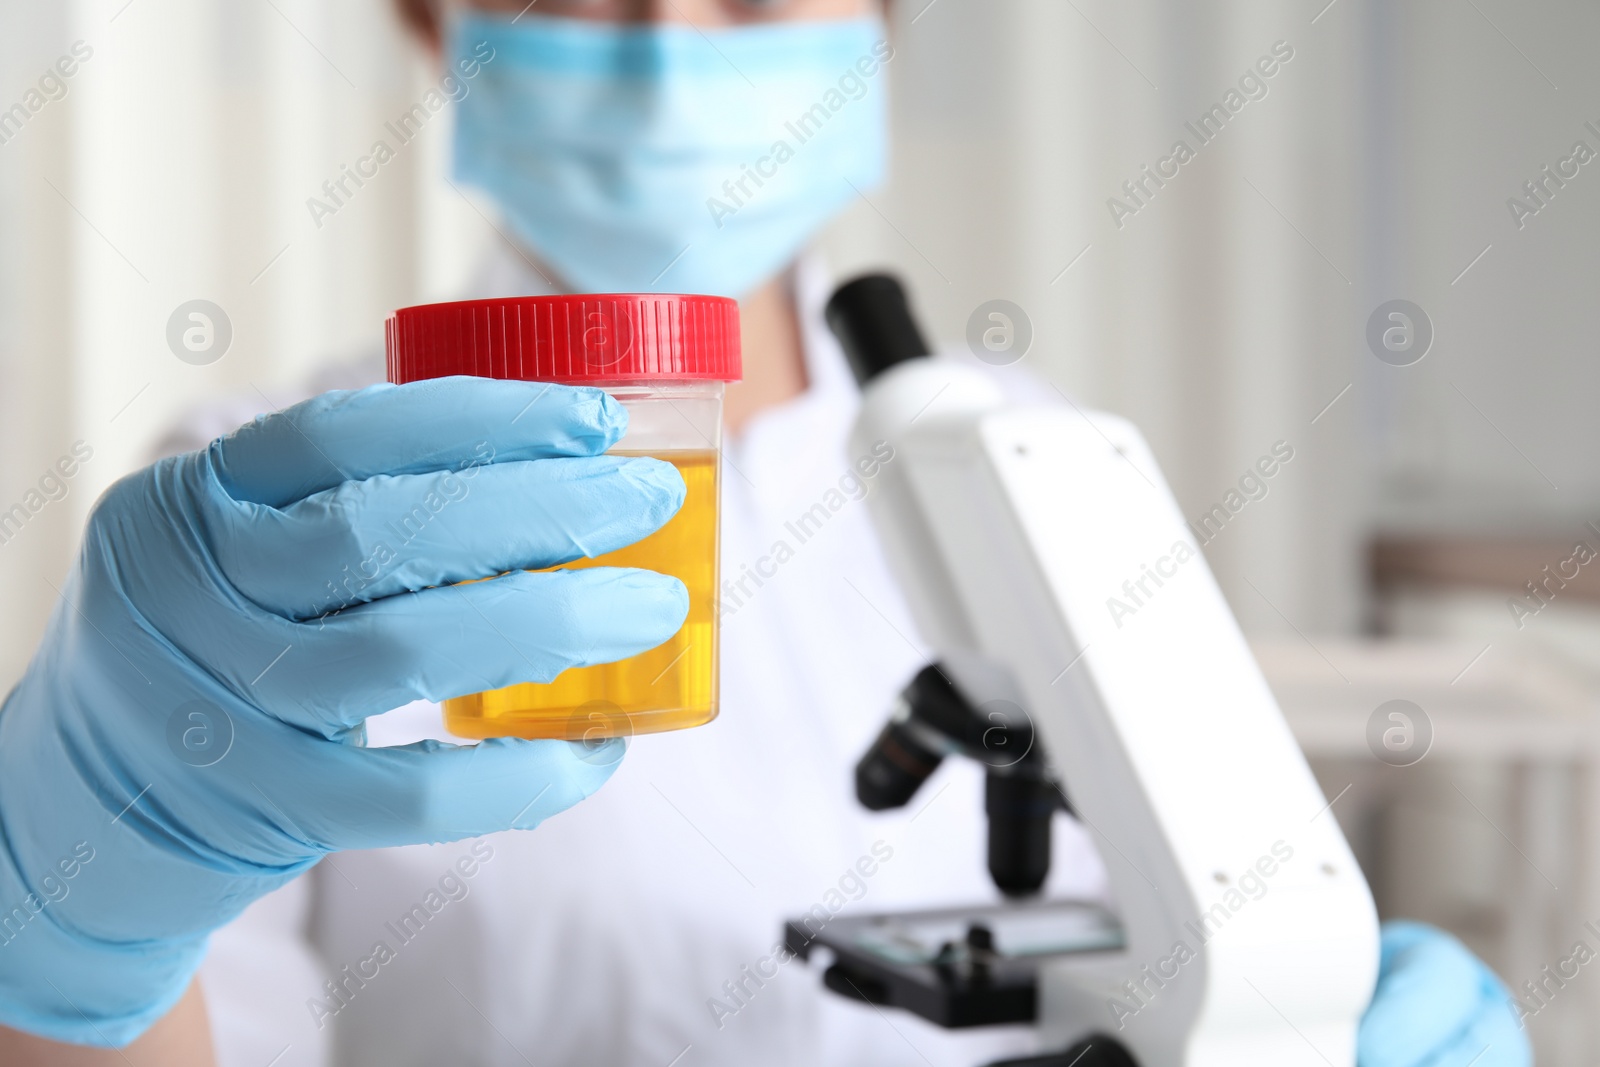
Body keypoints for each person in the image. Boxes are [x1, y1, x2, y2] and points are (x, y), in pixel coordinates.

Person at [0, 1, 1529, 1065]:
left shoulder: (1044, 457)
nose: (671, 50)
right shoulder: (270, 511)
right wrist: (70, 935)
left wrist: (1317, 1010)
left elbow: (1218, 913)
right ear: (434, 15)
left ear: (877, 23)